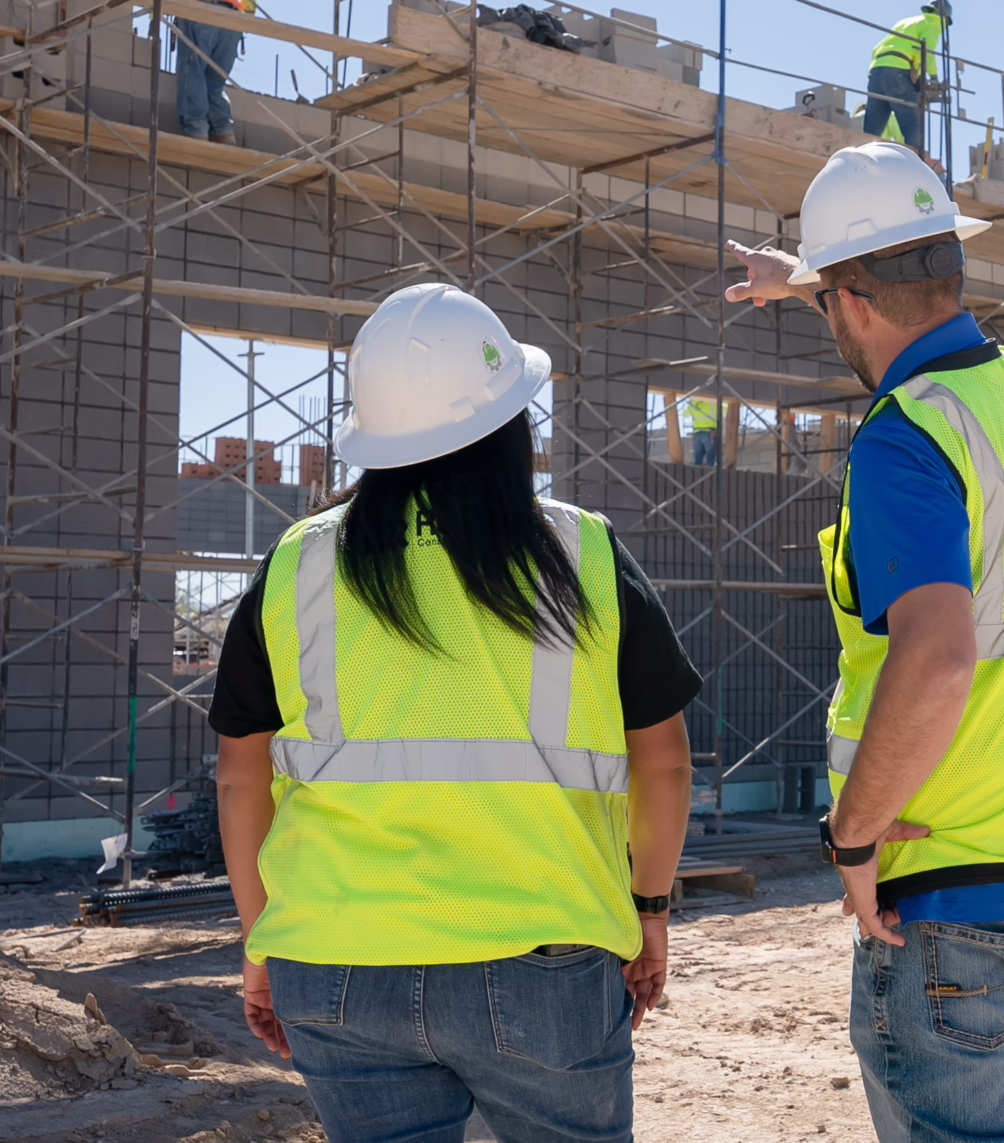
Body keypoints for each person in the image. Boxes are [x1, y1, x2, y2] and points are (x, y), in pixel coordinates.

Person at [209, 282, 699, 1143]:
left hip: (334, 961)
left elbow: (239, 778)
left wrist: (262, 947)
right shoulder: (582, 552)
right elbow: (665, 764)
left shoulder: (298, 564)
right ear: (512, 426)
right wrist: (648, 912)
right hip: (542, 963)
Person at [725, 142, 1004, 1143]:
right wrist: (803, 278)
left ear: (850, 301)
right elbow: (891, 290)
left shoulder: (907, 437)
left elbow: (938, 659)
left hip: (950, 891)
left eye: (829, 301)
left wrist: (852, 837)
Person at [159, 0, 259, 144]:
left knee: (192, 72)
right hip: (231, 18)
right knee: (215, 81)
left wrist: (157, 12)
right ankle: (224, 131)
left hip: (198, 10)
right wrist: (247, 12)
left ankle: (196, 131)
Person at [862, 0, 949, 155]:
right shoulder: (934, 23)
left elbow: (881, 47)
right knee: (912, 123)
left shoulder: (906, 22)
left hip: (876, 70)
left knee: (872, 128)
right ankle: (914, 161)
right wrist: (934, 77)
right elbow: (927, 49)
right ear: (944, 17)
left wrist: (918, 77)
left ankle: (862, 158)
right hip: (897, 72)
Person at [686, 396, 719, 466]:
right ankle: (710, 471)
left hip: (698, 433)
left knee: (698, 457)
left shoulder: (694, 402)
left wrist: (691, 404)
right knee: (710, 456)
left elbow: (686, 414)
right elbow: (725, 410)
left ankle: (697, 471)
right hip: (709, 432)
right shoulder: (713, 401)